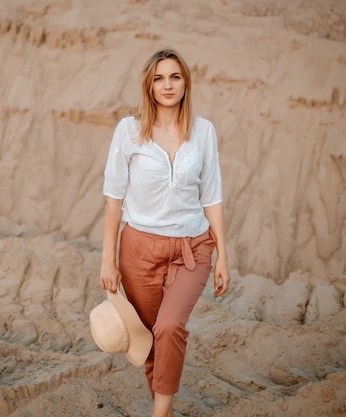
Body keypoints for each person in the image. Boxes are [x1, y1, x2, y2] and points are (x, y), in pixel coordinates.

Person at [99, 48, 230, 417]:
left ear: (185, 82)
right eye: (159, 78)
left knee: (170, 326)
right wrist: (108, 261)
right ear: (149, 85)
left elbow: (212, 196)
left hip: (193, 248)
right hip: (139, 250)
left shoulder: (203, 131)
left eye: (175, 77)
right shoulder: (128, 131)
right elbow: (114, 200)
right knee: (150, 338)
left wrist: (223, 255)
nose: (167, 85)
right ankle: (166, 408)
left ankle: (159, 416)